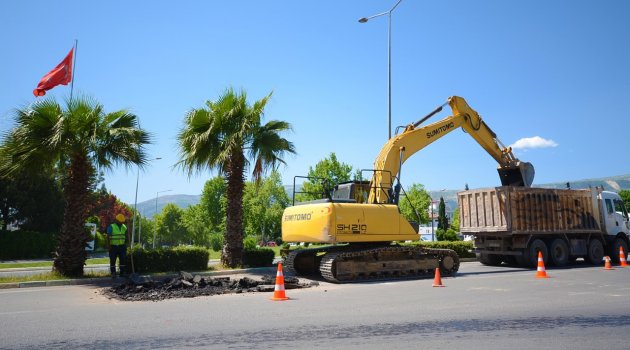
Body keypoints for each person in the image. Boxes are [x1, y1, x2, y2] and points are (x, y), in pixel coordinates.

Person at [107, 214, 128, 279]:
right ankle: (113, 273)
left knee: (123, 259)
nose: (121, 222)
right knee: (113, 260)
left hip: (122, 246)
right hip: (113, 246)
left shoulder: (124, 226)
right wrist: (109, 245)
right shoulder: (111, 226)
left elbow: (127, 235)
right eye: (120, 221)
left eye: (122, 221)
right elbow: (108, 237)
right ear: (116, 220)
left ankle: (122, 273)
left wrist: (129, 230)